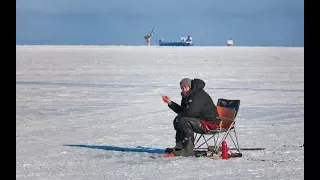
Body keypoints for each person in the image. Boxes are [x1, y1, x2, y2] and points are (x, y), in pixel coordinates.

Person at [162, 78, 219, 156]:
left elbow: (192, 113)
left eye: (185, 87)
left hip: (209, 123)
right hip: (200, 120)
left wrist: (181, 116)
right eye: (182, 88)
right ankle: (179, 147)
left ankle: (188, 150)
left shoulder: (197, 95)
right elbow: (183, 111)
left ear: (190, 86)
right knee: (177, 120)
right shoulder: (188, 95)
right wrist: (170, 103)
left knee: (184, 121)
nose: (184, 89)